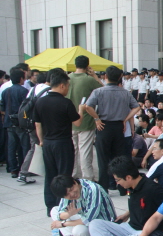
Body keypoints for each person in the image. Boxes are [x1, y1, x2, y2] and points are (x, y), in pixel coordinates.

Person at [88, 156, 163, 236]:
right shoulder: (131, 187)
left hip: (145, 233)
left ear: (128, 177)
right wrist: (127, 214)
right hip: (129, 227)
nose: (117, 184)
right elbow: (140, 204)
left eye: (118, 180)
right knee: (95, 224)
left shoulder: (153, 189)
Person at [34, 70, 87, 216]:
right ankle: (63, 205)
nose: (68, 89)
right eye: (68, 86)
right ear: (62, 85)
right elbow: (77, 122)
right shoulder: (66, 103)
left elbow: (38, 124)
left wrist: (42, 141)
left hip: (48, 143)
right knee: (64, 175)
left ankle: (50, 206)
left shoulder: (40, 101)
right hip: (63, 143)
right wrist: (81, 110)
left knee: (50, 175)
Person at [85, 66, 140, 191]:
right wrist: (125, 119)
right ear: (120, 77)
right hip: (119, 126)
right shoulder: (125, 92)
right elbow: (136, 107)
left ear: (105, 76)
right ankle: (122, 188)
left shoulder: (98, 91)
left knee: (103, 159)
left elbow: (88, 106)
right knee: (119, 159)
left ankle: (104, 188)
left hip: (103, 126)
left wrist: (96, 119)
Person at [50, 174, 117, 236]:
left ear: (75, 182)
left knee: (78, 231)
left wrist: (63, 224)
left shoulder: (92, 189)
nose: (72, 194)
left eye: (71, 189)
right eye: (67, 194)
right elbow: (60, 213)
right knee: (54, 210)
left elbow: (89, 219)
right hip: (83, 217)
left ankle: (75, 235)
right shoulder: (65, 191)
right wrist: (68, 214)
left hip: (100, 223)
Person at [67, 55, 103, 182]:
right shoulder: (89, 80)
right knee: (85, 151)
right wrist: (94, 75)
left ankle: (72, 174)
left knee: (72, 150)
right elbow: (103, 90)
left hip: (70, 121)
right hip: (86, 121)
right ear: (87, 66)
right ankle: (87, 177)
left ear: (75, 64)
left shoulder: (67, 78)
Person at [1, 68, 30, 178]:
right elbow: (26, 108)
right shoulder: (24, 91)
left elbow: (3, 107)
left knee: (11, 147)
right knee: (24, 146)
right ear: (21, 79)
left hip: (9, 122)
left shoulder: (6, 91)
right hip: (21, 122)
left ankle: (13, 168)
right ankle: (24, 168)